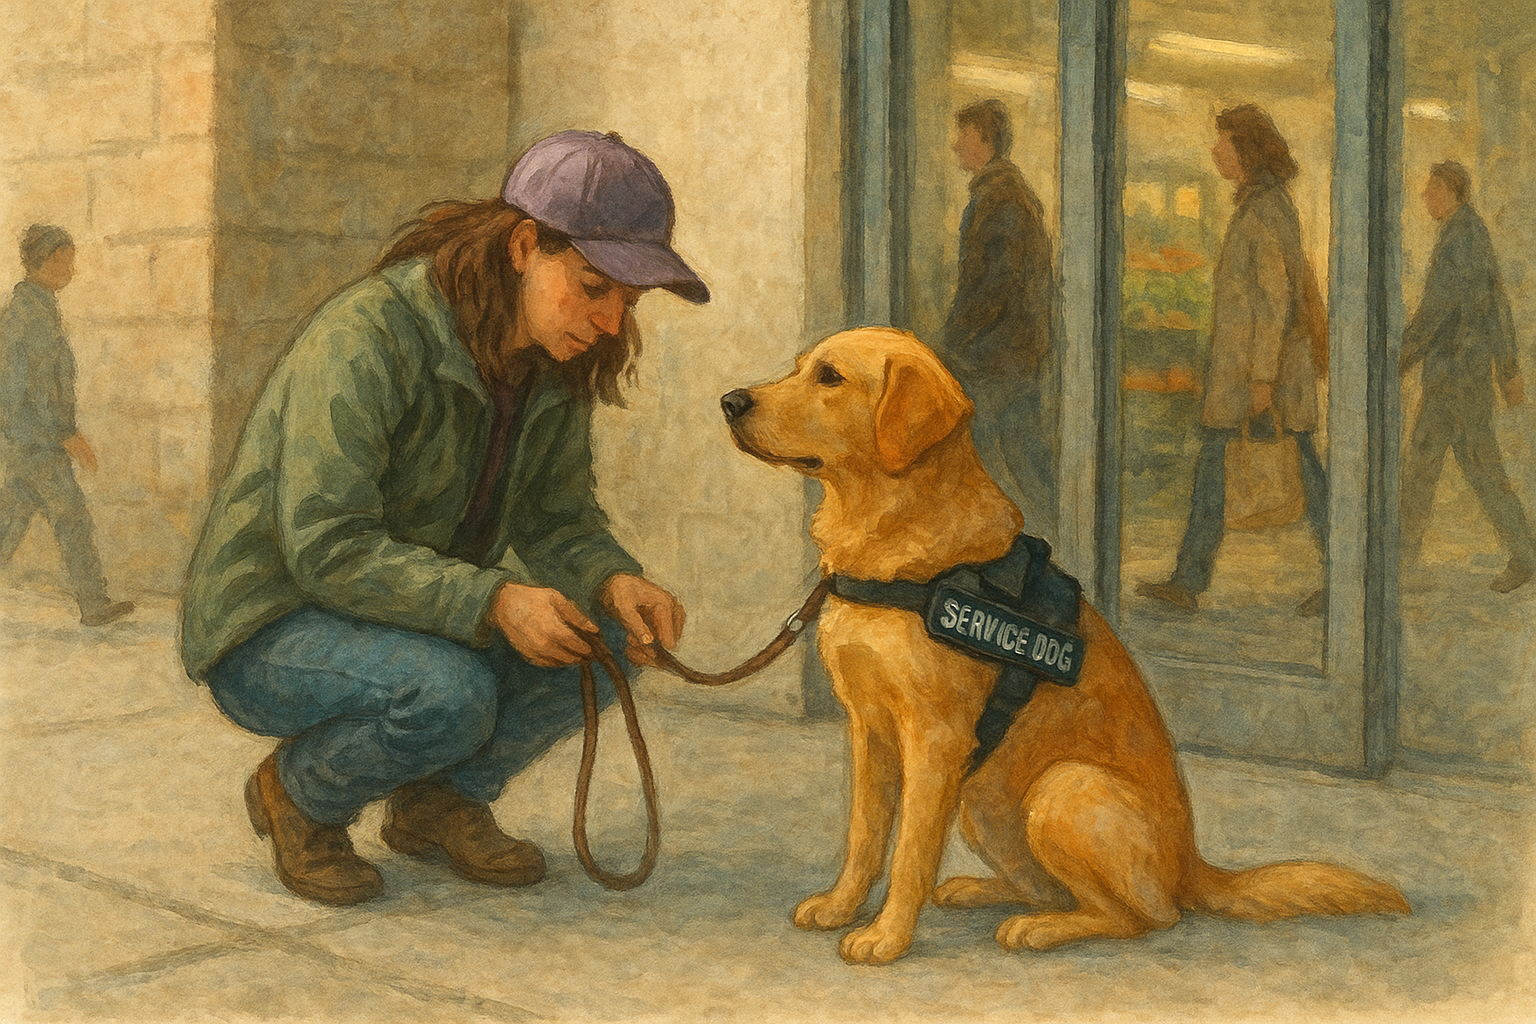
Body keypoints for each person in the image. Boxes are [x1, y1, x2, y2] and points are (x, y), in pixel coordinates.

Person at [179, 130, 708, 905]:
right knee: (450, 692)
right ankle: (298, 793)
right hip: (274, 624)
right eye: (595, 287)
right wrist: (494, 601)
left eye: (627, 303)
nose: (609, 323)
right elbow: (327, 548)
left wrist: (613, 577)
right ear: (525, 244)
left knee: (614, 642)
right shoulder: (366, 337)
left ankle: (437, 803)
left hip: (410, 617)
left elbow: (557, 517)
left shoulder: (555, 364)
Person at [1137, 104, 1328, 616]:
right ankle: (1188, 579)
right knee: (1220, 469)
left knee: (1304, 470)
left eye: (1224, 141)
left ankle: (1346, 575)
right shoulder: (1258, 204)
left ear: (1247, 149)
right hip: (1248, 378)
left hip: (1264, 379)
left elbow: (1273, 302)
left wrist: (1262, 381)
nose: (1216, 150)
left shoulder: (1266, 210)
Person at [1400, 160, 1535, 593]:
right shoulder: (1470, 232)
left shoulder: (1461, 237)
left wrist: (1398, 358)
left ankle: (1526, 554)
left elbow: (1439, 310)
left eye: (1434, 188)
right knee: (1438, 465)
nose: (1426, 196)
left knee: (1464, 466)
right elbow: (1497, 303)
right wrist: (1507, 368)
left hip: (1455, 378)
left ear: (1454, 192)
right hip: (1463, 375)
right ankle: (1401, 554)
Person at [0, 225, 135, 626]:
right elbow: (39, 386)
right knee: (71, 516)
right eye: (65, 260)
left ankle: (94, 602)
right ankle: (94, 604)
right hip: (36, 440)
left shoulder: (30, 308)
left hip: (22, 439)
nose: (72, 270)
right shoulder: (32, 315)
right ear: (44, 261)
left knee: (11, 517)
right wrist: (67, 433)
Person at [940, 98, 1058, 539]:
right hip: (1009, 352)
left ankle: (1031, 542)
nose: (956, 146)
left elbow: (994, 284)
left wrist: (954, 338)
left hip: (995, 355)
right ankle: (1051, 537)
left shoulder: (1001, 200)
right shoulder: (1003, 195)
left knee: (996, 460)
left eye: (965, 136)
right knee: (1024, 458)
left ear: (986, 142)